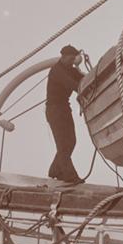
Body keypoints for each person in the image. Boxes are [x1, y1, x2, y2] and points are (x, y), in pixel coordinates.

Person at [45, 44, 86, 184]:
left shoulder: (70, 70)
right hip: (54, 110)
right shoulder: (57, 71)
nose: (72, 61)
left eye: (74, 59)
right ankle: (70, 176)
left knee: (71, 141)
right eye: (70, 58)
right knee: (63, 143)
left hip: (64, 108)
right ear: (63, 57)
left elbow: (83, 79)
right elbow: (73, 85)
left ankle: (55, 170)